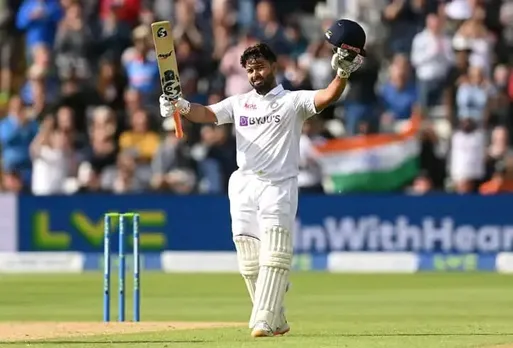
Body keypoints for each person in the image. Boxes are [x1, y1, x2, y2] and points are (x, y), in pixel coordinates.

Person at [159, 19, 366, 338]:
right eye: (250, 70)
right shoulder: (240, 103)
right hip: (243, 185)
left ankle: (264, 321)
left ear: (274, 66)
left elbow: (327, 97)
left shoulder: (293, 101)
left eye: (260, 68)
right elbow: (207, 114)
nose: (255, 74)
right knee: (249, 263)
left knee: (276, 254)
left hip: (278, 185)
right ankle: (277, 319)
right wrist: (181, 105)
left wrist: (343, 72)